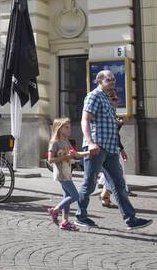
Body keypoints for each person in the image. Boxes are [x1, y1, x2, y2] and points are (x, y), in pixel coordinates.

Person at [75, 71, 151, 230]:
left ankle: (131, 219)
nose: (113, 82)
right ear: (99, 81)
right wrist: (89, 143)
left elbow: (109, 126)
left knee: (118, 184)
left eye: (114, 79)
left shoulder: (108, 99)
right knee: (89, 184)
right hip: (97, 147)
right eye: (109, 79)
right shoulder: (93, 96)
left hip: (110, 149)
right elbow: (85, 120)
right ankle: (80, 216)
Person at [47, 118, 80, 231]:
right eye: (66, 127)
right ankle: (55, 210)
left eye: (69, 127)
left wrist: (89, 153)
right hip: (61, 173)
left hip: (67, 171)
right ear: (59, 129)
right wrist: (66, 157)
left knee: (67, 196)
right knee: (75, 195)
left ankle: (65, 221)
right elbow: (50, 159)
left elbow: (75, 154)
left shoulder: (67, 141)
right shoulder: (54, 143)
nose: (69, 129)